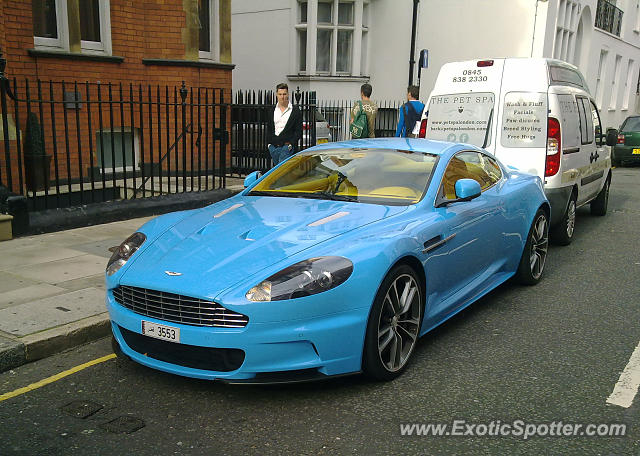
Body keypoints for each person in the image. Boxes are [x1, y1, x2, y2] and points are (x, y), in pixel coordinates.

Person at [266, 83, 303, 166]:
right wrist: (269, 145)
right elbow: (269, 128)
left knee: (280, 170)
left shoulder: (295, 111)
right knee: (277, 171)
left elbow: (298, 130)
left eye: (284, 94)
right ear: (276, 95)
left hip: (287, 147)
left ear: (288, 94)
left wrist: (291, 144)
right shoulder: (272, 110)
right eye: (280, 94)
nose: (282, 97)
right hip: (273, 147)